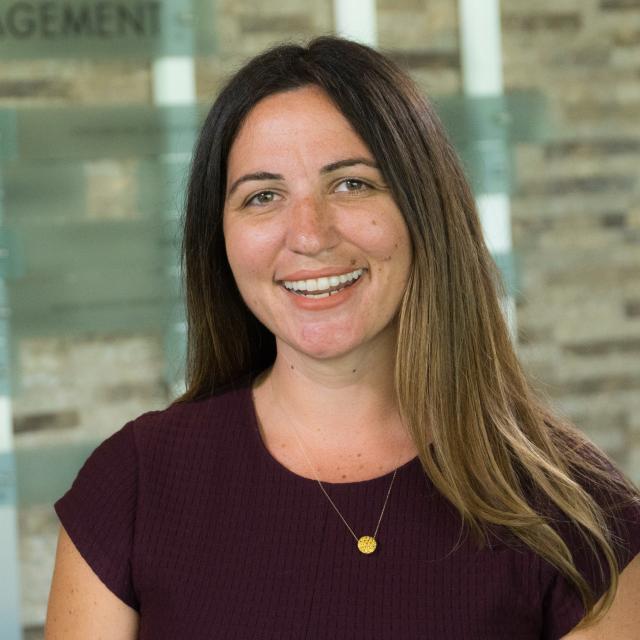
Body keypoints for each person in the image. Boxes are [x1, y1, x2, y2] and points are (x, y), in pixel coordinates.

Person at [45, 36, 640, 639]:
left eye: (352, 184)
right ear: (220, 239)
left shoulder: (577, 513)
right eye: (263, 196)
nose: (309, 234)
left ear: (423, 208)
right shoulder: (134, 487)